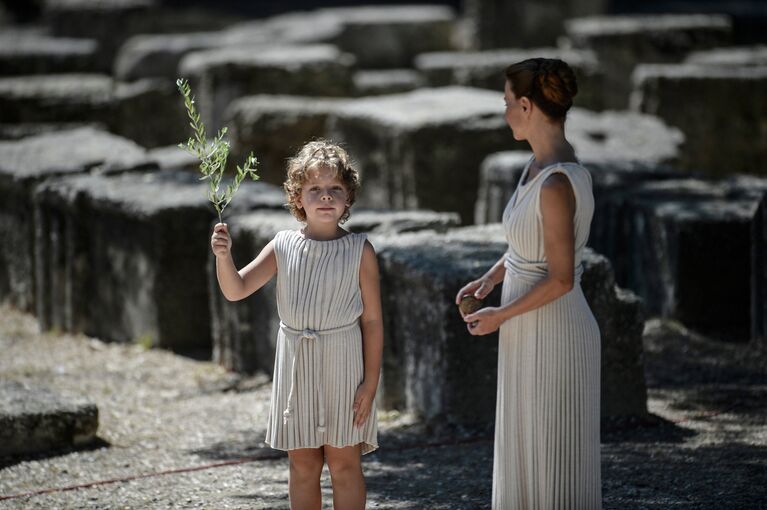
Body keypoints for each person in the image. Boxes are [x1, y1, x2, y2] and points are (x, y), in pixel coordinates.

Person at [456, 58, 602, 509]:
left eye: (505, 104)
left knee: (551, 458)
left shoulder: (558, 182)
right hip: (526, 325)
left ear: (525, 105)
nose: (503, 114)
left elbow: (560, 278)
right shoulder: (536, 167)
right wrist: (489, 279)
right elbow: (526, 247)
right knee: (526, 452)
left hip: (554, 328)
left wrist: (500, 314)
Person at [211, 140, 382, 510]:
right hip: (296, 367)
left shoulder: (361, 250)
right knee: (303, 464)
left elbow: (371, 321)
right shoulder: (282, 245)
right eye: (314, 189)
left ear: (348, 196)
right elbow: (236, 289)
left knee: (344, 463)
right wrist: (224, 257)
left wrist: (370, 383)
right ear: (297, 197)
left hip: (344, 366)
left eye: (335, 188)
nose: (325, 197)